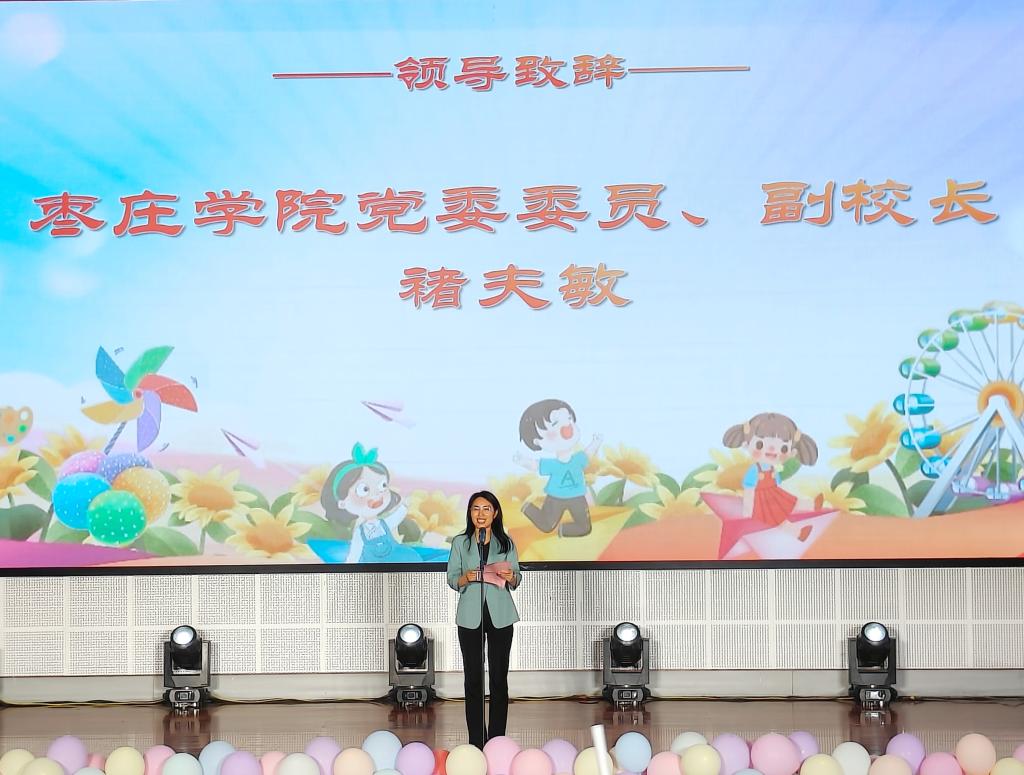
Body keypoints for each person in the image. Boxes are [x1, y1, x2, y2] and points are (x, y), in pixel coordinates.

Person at [446, 490, 522, 748]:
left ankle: (497, 740)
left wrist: (511, 576)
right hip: (470, 617)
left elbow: (517, 578)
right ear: (470, 513)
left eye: (486, 509)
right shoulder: (461, 543)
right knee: (473, 681)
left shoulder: (506, 542)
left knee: (499, 679)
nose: (481, 514)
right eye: (476, 509)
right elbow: (451, 578)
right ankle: (477, 741)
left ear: (495, 513)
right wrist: (465, 578)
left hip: (501, 616)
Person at [722, 412, 820, 540]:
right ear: (746, 445)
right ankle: (798, 534)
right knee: (777, 518)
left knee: (790, 502)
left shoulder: (773, 469)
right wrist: (747, 512)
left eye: (783, 448)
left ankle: (810, 506)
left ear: (792, 452)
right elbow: (749, 491)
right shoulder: (754, 471)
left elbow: (778, 484)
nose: (772, 450)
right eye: (760, 445)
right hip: (762, 504)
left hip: (774, 496)